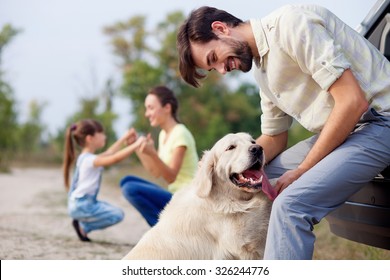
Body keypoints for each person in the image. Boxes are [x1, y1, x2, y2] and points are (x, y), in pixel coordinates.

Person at [176, 5, 390, 259]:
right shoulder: (262, 72)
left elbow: (352, 102)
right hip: (353, 131)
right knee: (239, 181)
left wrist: (301, 171)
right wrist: (221, 164)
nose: (223, 70)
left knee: (291, 205)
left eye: (214, 58)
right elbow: (274, 137)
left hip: (381, 121)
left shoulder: (291, 24)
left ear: (221, 28)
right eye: (214, 69)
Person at [120, 86, 199, 227]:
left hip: (186, 200)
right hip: (175, 196)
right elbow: (156, 172)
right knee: (126, 181)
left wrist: (153, 154)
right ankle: (167, 229)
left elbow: (171, 176)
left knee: (130, 189)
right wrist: (138, 148)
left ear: (167, 108)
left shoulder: (180, 133)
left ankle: (162, 231)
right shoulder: (164, 135)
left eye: (150, 108)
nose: (146, 113)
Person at [63, 119, 145, 242]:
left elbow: (111, 152)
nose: (104, 137)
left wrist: (125, 138)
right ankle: (84, 227)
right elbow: (114, 158)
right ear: (90, 138)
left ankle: (83, 227)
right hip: (83, 204)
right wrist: (136, 145)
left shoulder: (86, 158)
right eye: (101, 134)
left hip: (79, 203)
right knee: (117, 215)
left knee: (114, 212)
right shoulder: (91, 160)